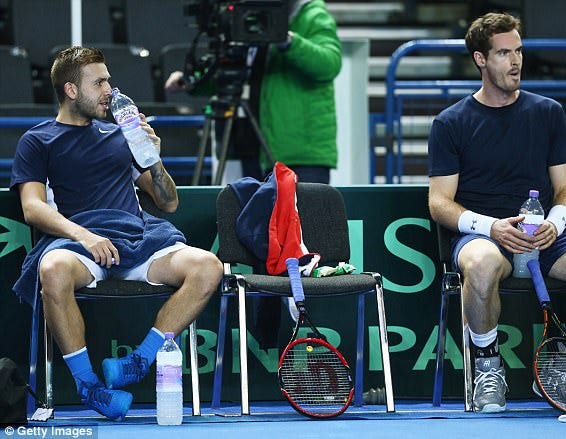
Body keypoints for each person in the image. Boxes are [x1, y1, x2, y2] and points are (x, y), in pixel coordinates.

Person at [10, 46, 223, 421]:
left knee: (207, 266)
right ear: (72, 90)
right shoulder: (37, 140)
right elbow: (32, 207)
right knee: (52, 269)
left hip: (139, 239)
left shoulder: (120, 134)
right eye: (100, 82)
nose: (110, 89)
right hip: (80, 244)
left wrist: (153, 157)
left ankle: (138, 362)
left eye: (109, 80)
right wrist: (85, 236)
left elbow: (168, 202)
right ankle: (89, 387)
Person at [427, 12, 566, 413]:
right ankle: (486, 369)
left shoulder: (548, 112)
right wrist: (493, 227)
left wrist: (555, 222)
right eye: (503, 53)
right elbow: (439, 202)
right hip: (484, 237)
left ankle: (561, 365)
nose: (515, 61)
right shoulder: (450, 123)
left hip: (544, 236)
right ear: (481, 60)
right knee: (480, 263)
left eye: (518, 51)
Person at [165, 0, 341, 184]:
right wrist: (193, 80)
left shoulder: (312, 15)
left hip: (300, 155)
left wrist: (287, 40)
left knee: (303, 213)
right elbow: (236, 70)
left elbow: (329, 64)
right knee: (255, 212)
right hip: (254, 148)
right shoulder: (253, 17)